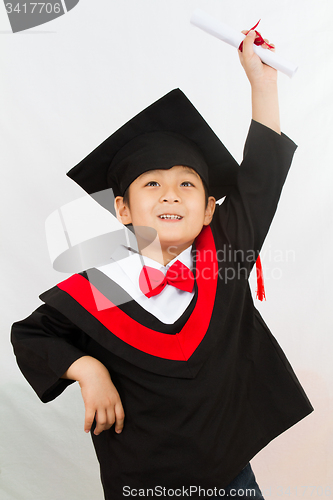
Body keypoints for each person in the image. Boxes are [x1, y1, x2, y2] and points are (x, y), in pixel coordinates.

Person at [11, 31, 313, 499]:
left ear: (210, 210)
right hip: (141, 486)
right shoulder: (104, 286)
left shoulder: (223, 256)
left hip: (230, 480)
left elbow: (260, 177)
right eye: (151, 183)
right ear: (123, 209)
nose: (170, 193)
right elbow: (32, 335)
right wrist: (87, 368)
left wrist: (262, 83)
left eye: (187, 185)